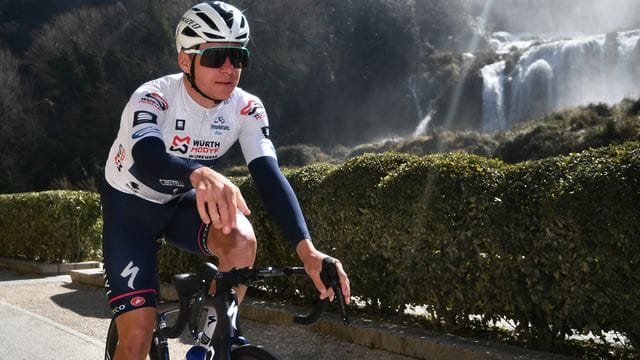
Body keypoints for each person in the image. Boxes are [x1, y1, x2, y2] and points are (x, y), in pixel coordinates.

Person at [100, 2, 351, 359]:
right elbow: (147, 160)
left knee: (242, 238)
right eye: (217, 56)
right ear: (185, 61)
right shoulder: (153, 97)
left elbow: (268, 175)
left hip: (182, 202)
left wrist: (307, 250)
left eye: (239, 56)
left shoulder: (246, 108)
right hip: (131, 207)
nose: (230, 69)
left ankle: (207, 344)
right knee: (138, 337)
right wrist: (198, 172)